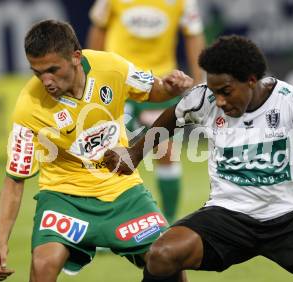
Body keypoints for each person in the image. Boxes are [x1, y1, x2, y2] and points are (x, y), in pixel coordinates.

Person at [104, 35, 293, 281]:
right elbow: (174, 116)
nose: (218, 101)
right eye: (214, 91)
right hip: (228, 215)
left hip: (288, 216)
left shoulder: (289, 99)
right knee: (162, 255)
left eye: (226, 91)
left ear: (251, 81)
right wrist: (136, 153)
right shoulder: (206, 99)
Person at [0, 19, 192, 282]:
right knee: (43, 265)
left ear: (75, 56)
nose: (46, 81)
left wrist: (172, 87)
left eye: (53, 69)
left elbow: (155, 90)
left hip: (121, 189)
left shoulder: (111, 67)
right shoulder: (29, 106)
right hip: (65, 196)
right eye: (38, 72)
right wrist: (1, 242)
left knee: (170, 259)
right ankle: (73, 249)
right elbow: (14, 179)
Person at [87, 0, 206, 223]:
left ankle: (169, 222)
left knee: (166, 152)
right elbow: (98, 29)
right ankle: (105, 224)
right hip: (119, 80)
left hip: (159, 85)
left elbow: (194, 34)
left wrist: (199, 81)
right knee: (106, 150)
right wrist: (94, 72)